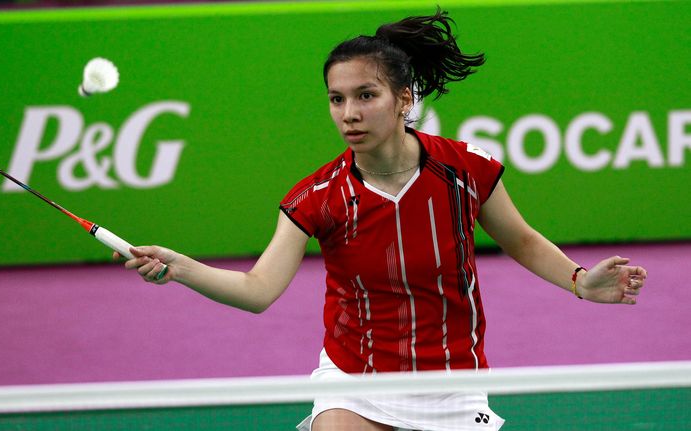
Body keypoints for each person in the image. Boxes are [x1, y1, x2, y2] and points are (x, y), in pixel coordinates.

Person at [117, 6, 648, 431]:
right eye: (337, 99)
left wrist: (580, 282)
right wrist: (180, 268)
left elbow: (523, 240)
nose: (349, 113)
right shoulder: (317, 197)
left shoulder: (465, 169)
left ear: (403, 98)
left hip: (452, 381)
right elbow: (258, 290)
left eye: (365, 96)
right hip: (355, 377)